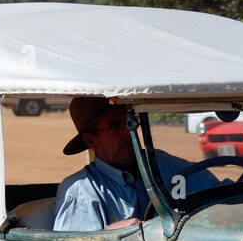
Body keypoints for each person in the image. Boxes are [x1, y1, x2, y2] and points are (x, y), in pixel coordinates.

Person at [52, 97, 217, 232]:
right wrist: (107, 235)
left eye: (130, 122)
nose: (128, 131)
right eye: (116, 126)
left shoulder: (161, 163)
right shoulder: (81, 191)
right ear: (90, 140)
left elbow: (218, 189)